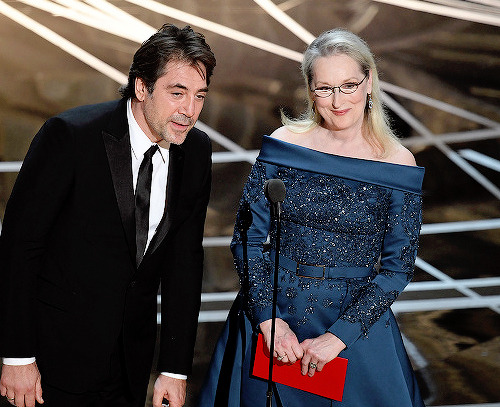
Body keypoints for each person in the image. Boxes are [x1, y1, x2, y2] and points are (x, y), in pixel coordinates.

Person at [197, 28, 426, 407]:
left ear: (369, 82)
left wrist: (337, 338)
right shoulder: (285, 146)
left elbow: (397, 269)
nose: (338, 101)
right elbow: (247, 238)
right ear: (310, 89)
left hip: (354, 329)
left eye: (349, 85)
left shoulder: (397, 163)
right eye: (325, 88)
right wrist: (269, 322)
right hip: (272, 315)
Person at [0, 23, 215, 407]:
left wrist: (174, 368)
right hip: (51, 359)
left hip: (131, 364)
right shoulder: (69, 135)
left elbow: (185, 262)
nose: (190, 110)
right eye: (177, 93)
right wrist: (17, 356)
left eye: (200, 96)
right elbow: (20, 247)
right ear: (142, 87)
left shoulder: (196, 151)